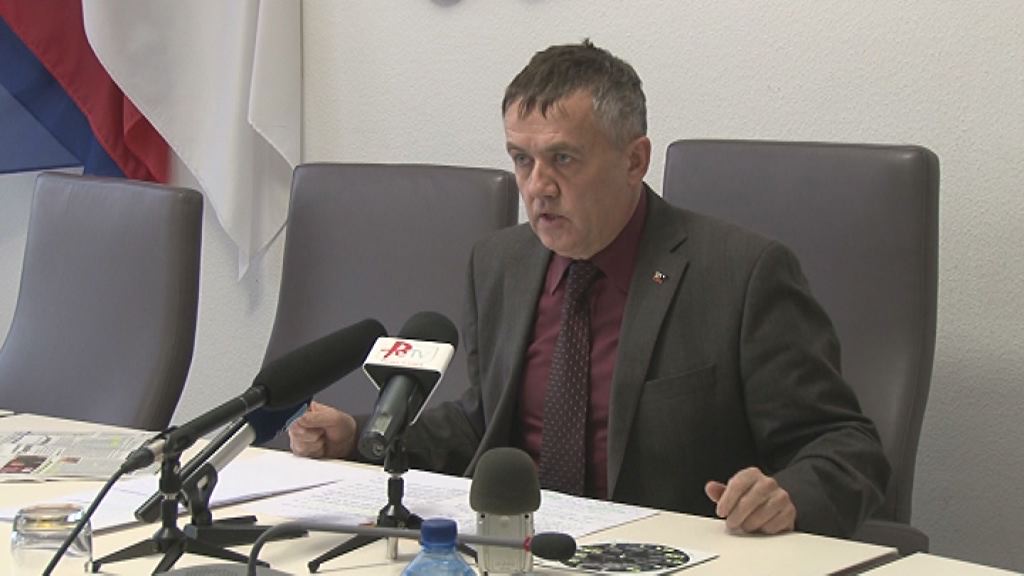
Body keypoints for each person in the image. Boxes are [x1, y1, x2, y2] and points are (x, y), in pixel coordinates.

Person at [289, 40, 889, 538]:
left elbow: (845, 445)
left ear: (635, 160)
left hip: (666, 555)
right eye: (522, 159)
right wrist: (362, 434)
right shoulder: (500, 263)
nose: (537, 186)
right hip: (517, 548)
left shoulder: (742, 274)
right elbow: (486, 421)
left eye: (564, 159)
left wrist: (789, 493)